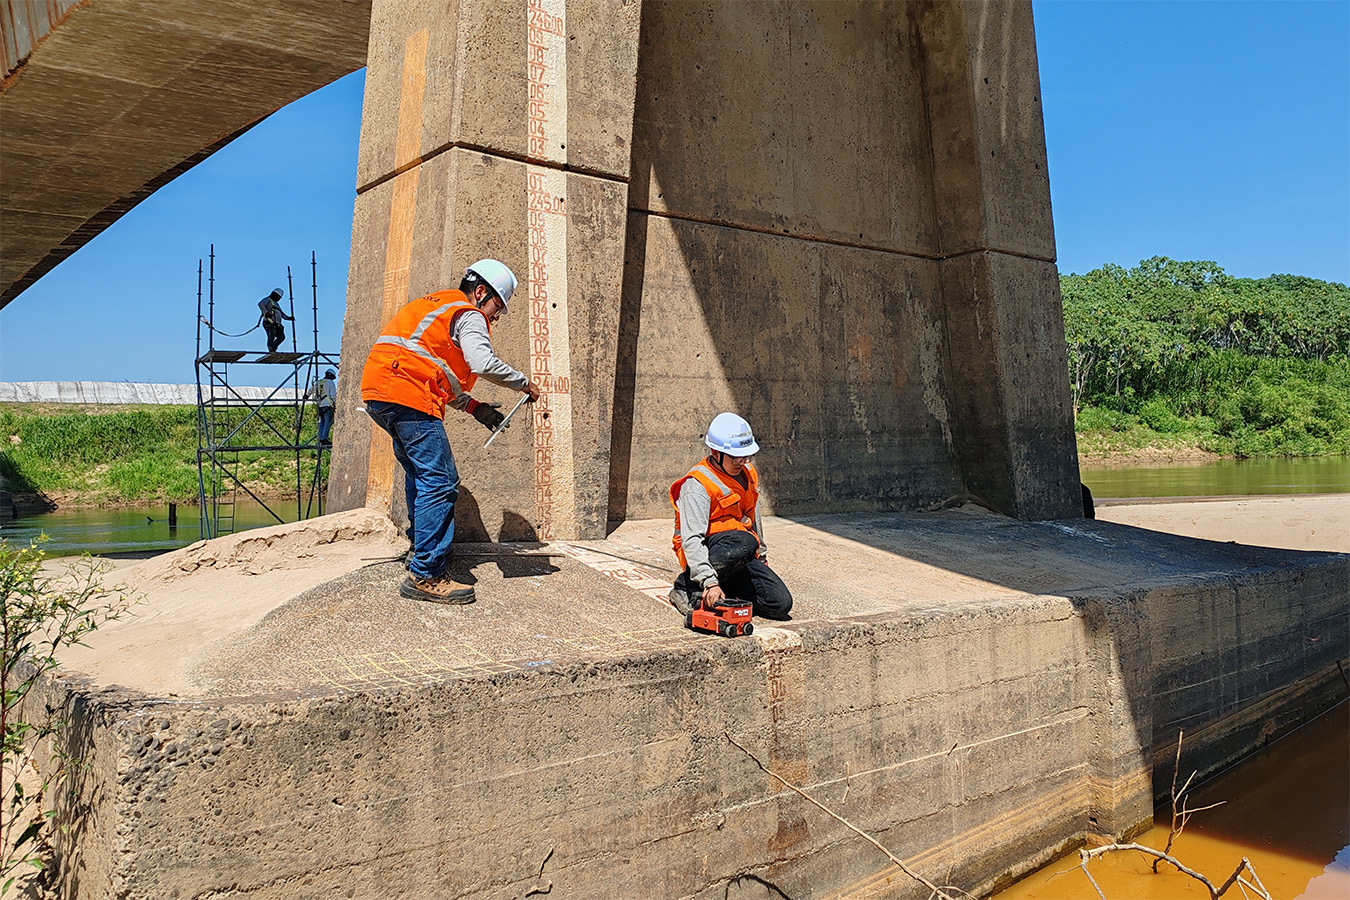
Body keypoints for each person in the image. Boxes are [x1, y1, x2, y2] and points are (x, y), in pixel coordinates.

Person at [360, 259, 541, 605]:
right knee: (441, 481)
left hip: (383, 393)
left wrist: (476, 408)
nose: (496, 318)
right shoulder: (469, 313)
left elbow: (440, 372)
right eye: (497, 307)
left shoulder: (438, 305)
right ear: (481, 292)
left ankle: (422, 549)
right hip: (408, 395)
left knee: (421, 476)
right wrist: (523, 384)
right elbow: (482, 362)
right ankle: (426, 574)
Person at [668, 412, 793, 620]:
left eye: (746, 456)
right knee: (743, 540)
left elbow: (754, 519)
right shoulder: (697, 484)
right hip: (705, 552)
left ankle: (721, 586)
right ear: (716, 453)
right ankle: (685, 586)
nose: (741, 462)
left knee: (779, 603)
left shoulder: (748, 473)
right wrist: (709, 581)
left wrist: (761, 558)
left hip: (739, 552)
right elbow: (691, 540)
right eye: (735, 456)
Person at [258, 288, 293, 353]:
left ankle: (273, 348)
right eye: (278, 297)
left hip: (276, 324)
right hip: (269, 322)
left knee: (281, 337)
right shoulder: (268, 300)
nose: (279, 299)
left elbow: (281, 313)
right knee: (271, 336)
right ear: (275, 295)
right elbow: (260, 304)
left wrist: (288, 318)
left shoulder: (276, 304)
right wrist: (266, 312)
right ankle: (272, 349)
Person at [310, 369, 337, 446]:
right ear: (331, 376)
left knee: (322, 423)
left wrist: (306, 395)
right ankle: (324, 439)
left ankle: (320, 438)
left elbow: (311, 390)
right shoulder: (330, 383)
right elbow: (333, 395)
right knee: (328, 423)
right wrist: (336, 403)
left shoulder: (319, 382)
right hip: (327, 406)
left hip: (320, 406)